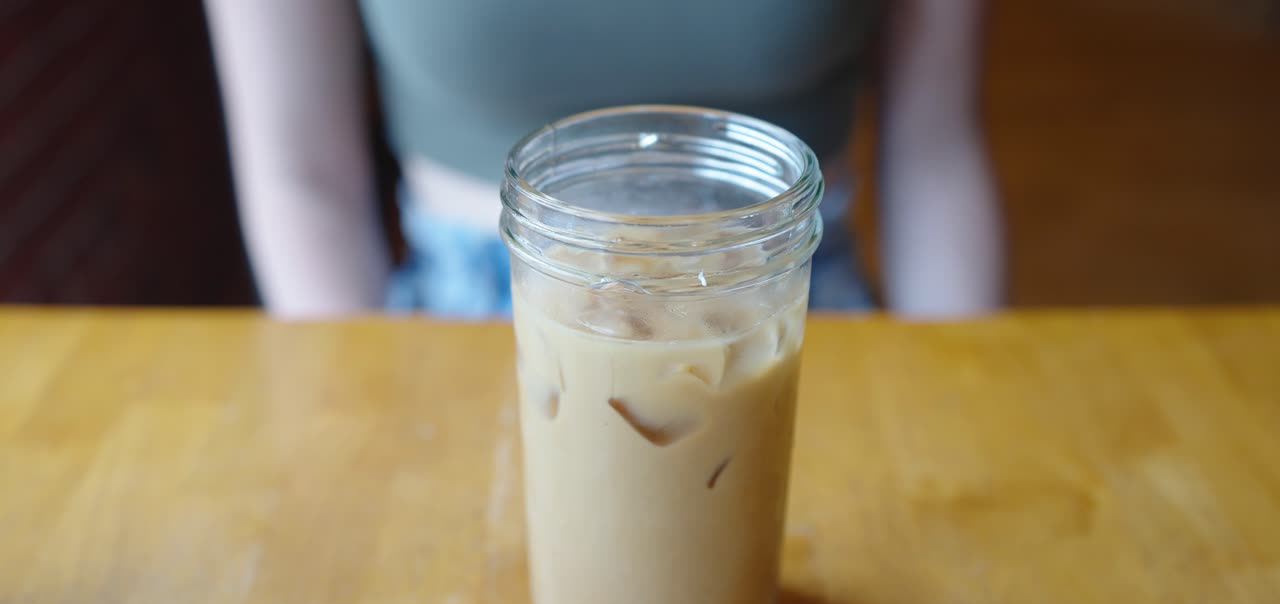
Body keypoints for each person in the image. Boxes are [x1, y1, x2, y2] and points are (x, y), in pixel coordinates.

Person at [205, 0, 1002, 319]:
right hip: (470, 317)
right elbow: (300, 174)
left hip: (797, 305)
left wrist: (957, 407)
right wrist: (363, 425)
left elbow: (932, 148)